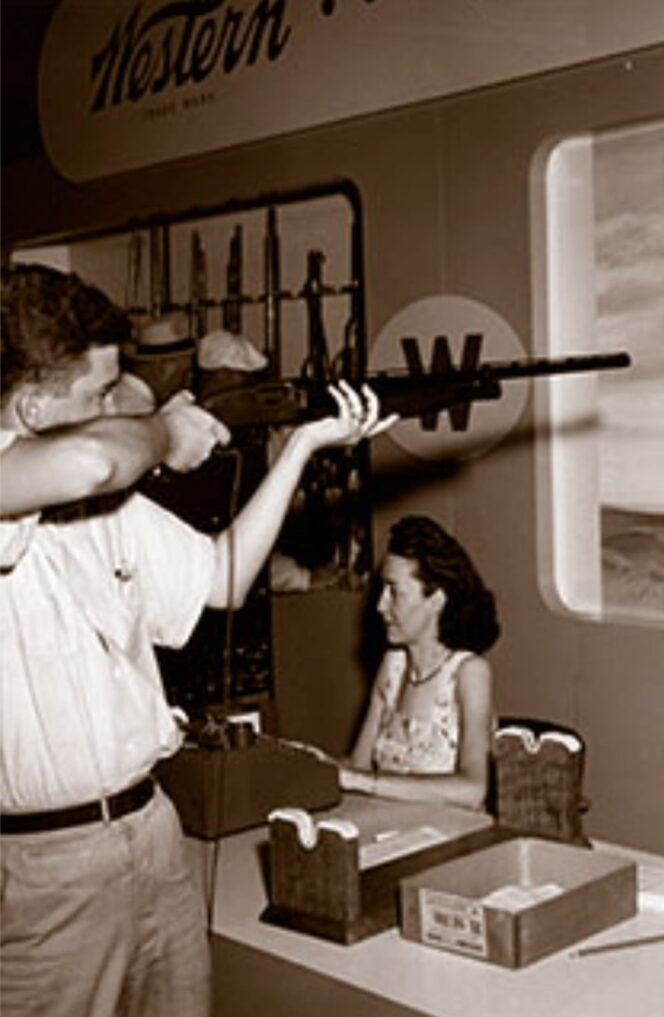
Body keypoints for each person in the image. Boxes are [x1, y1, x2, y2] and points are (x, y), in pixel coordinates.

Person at [0, 263, 392, 1017]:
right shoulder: (64, 473)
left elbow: (223, 579)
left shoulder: (104, 501)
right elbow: (96, 454)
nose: (118, 405)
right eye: (99, 394)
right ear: (30, 406)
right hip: (44, 868)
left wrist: (304, 447)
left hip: (151, 829)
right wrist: (168, 432)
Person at [339, 514, 500, 811]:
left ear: (436, 600)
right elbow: (357, 765)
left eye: (394, 592)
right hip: (391, 831)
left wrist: (364, 781)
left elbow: (474, 789)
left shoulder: (469, 672)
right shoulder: (393, 666)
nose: (380, 605)